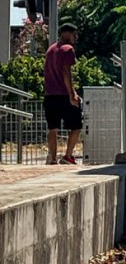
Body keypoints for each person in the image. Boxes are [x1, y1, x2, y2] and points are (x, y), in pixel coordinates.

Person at [44, 23, 82, 165]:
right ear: (66, 34)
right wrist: (72, 94)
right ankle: (67, 156)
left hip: (49, 95)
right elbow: (67, 72)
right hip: (63, 95)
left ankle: (53, 159)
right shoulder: (68, 49)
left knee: (52, 128)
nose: (75, 37)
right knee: (76, 126)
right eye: (73, 34)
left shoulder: (50, 49)